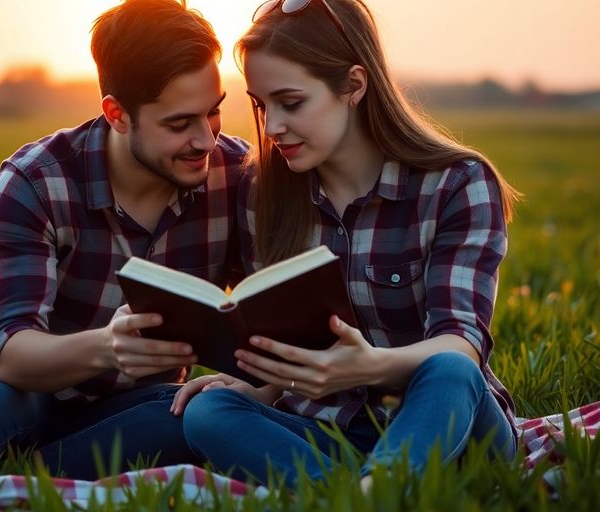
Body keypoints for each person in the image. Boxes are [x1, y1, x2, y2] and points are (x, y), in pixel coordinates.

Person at [0, 0, 248, 501]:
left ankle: (7, 472)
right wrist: (108, 347)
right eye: (179, 124)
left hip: (134, 403)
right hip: (19, 385)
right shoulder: (36, 180)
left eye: (214, 111)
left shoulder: (236, 176)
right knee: (5, 404)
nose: (205, 138)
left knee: (195, 414)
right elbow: (8, 351)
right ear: (117, 114)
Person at [173, 0, 522, 491]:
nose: (271, 127)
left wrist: (368, 367)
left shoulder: (456, 184)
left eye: (291, 103)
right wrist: (261, 386)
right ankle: (368, 491)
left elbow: (461, 345)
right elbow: (294, 342)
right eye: (261, 104)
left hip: (450, 427)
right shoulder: (264, 191)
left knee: (448, 369)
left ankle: (362, 492)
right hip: (327, 431)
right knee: (209, 409)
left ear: (354, 85)